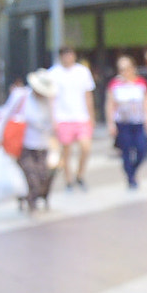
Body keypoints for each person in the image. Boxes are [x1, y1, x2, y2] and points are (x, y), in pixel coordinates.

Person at [0, 69, 59, 213]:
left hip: (42, 144)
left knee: (43, 175)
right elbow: (5, 114)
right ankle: (30, 200)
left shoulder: (49, 102)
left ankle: (31, 197)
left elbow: (53, 124)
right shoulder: (22, 96)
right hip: (24, 145)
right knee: (31, 175)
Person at [47, 47, 96, 192]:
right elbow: (51, 98)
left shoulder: (82, 72)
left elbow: (88, 95)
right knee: (66, 150)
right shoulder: (53, 73)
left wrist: (91, 116)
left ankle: (80, 174)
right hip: (63, 117)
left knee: (85, 147)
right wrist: (53, 119)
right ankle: (68, 180)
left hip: (81, 116)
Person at [105, 56, 147, 189]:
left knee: (142, 149)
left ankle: (133, 170)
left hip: (138, 121)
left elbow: (146, 100)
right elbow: (110, 104)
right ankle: (130, 177)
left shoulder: (141, 83)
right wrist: (110, 123)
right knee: (126, 151)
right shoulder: (115, 85)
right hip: (123, 122)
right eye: (121, 69)